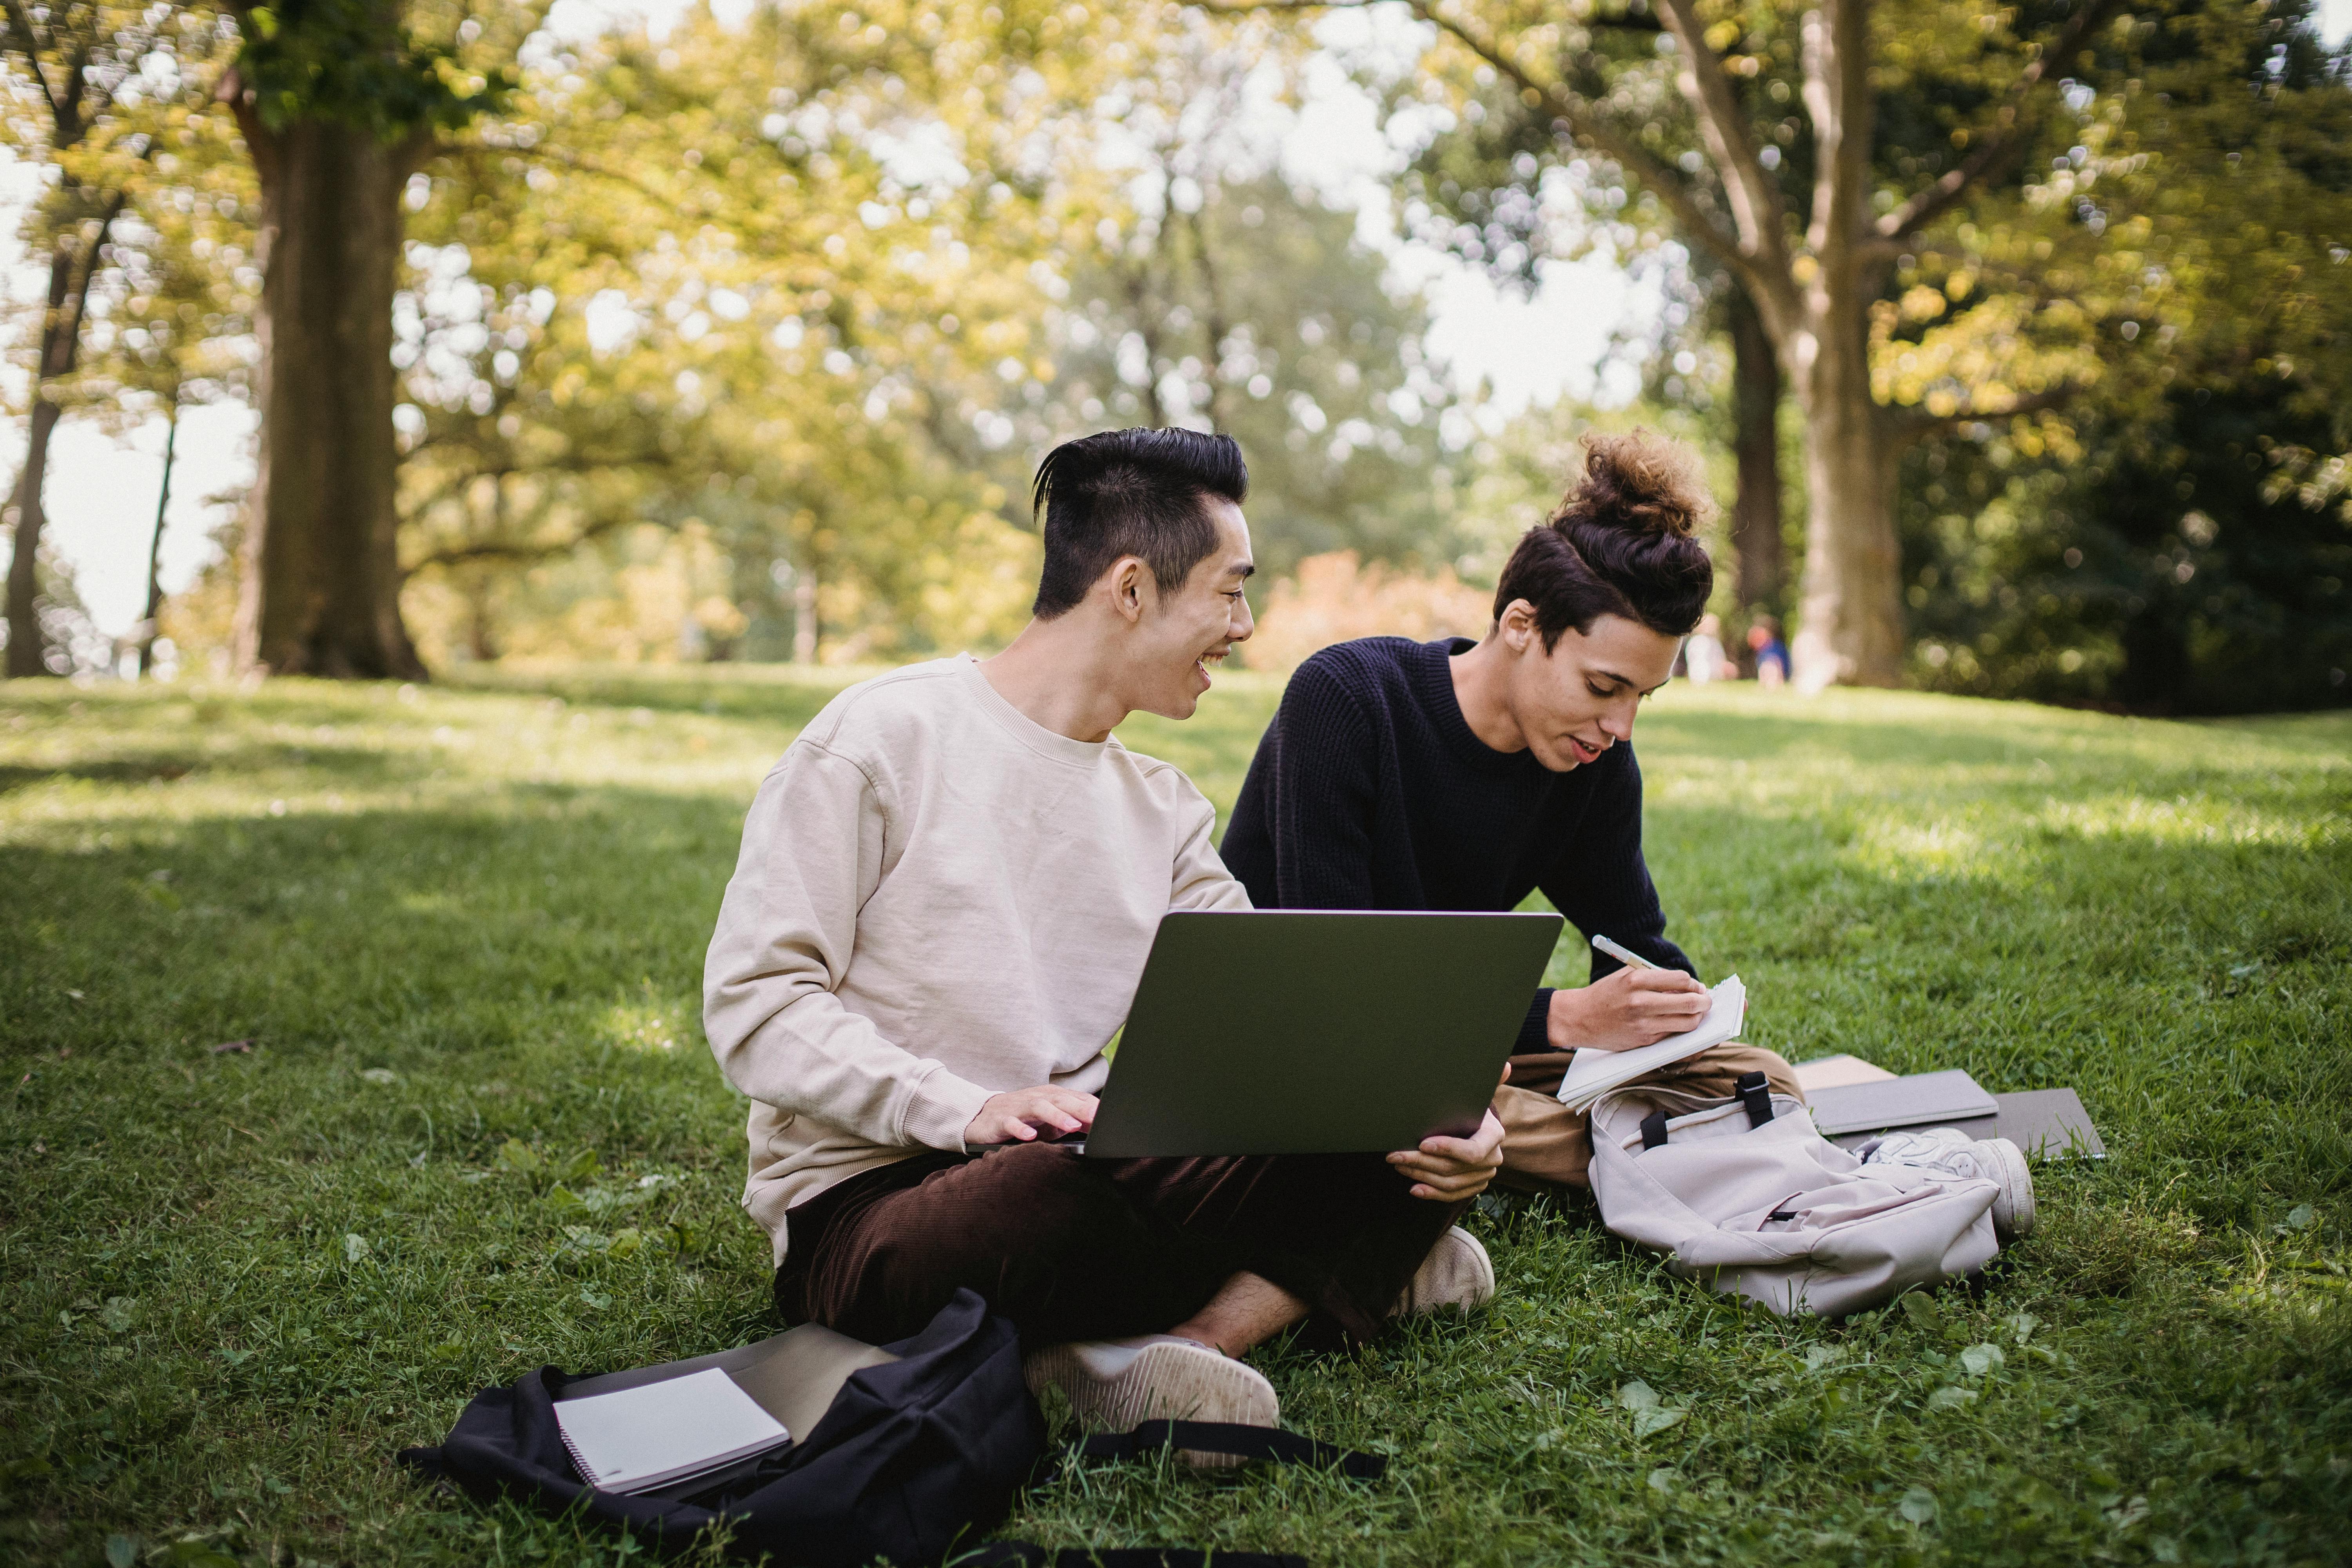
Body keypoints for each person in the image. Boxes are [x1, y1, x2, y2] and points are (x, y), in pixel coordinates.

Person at [704, 428, 1505, 1443]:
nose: (1247, 625)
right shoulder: (878, 742)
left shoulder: (1161, 807)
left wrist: (1428, 1109)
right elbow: (755, 1007)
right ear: (1131, 588)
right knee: (1067, 1180)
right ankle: (1326, 1270)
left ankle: (1179, 1347)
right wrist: (969, 1108)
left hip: (1080, 1150)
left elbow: (1276, 1018)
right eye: (1229, 590)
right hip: (876, 1213)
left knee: (1375, 1128)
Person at [1219, 431, 1804, 1189]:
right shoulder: (1350, 700)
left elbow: (1631, 942)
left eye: (1640, 697)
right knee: (1398, 1100)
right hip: (1304, 1040)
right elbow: (1335, 985)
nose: (1621, 727)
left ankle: (1546, 1139)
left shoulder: (1593, 761)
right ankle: (1631, 1146)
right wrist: (1563, 1018)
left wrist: (1671, 1012)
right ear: (1523, 627)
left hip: (1453, 1048)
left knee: (1759, 1078)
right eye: (1604, 687)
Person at [1684, 612, 1728, 684]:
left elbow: (1720, 659)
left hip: (1715, 675)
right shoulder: (1698, 641)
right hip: (1701, 675)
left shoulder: (1715, 642)